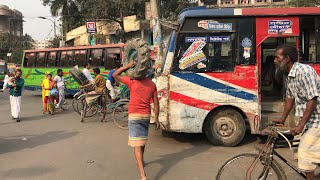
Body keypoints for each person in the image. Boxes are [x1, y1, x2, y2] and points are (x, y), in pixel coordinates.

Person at [273, 44, 320, 180]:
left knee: (305, 155)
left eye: (277, 57)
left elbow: (312, 99)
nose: (275, 60)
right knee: (297, 150)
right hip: (305, 118)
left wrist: (300, 126)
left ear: (287, 59)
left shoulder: (304, 71)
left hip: (317, 118)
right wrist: (282, 119)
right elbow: (290, 98)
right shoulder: (288, 75)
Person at [113, 61, 160, 180]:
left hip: (134, 116)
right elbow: (156, 102)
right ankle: (141, 161)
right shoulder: (152, 84)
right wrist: (157, 119)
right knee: (142, 141)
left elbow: (115, 75)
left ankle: (143, 175)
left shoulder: (132, 81)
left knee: (136, 145)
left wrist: (128, 66)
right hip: (145, 116)